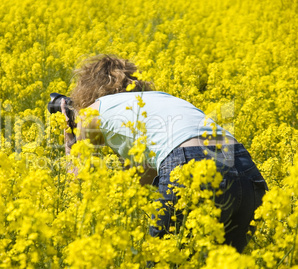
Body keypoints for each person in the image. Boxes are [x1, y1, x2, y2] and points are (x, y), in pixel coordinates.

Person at [60, 55, 268, 253]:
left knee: (164, 259)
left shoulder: (93, 111)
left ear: (87, 91)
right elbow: (137, 188)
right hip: (245, 169)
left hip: (188, 164)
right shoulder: (162, 101)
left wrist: (70, 140)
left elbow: (81, 185)